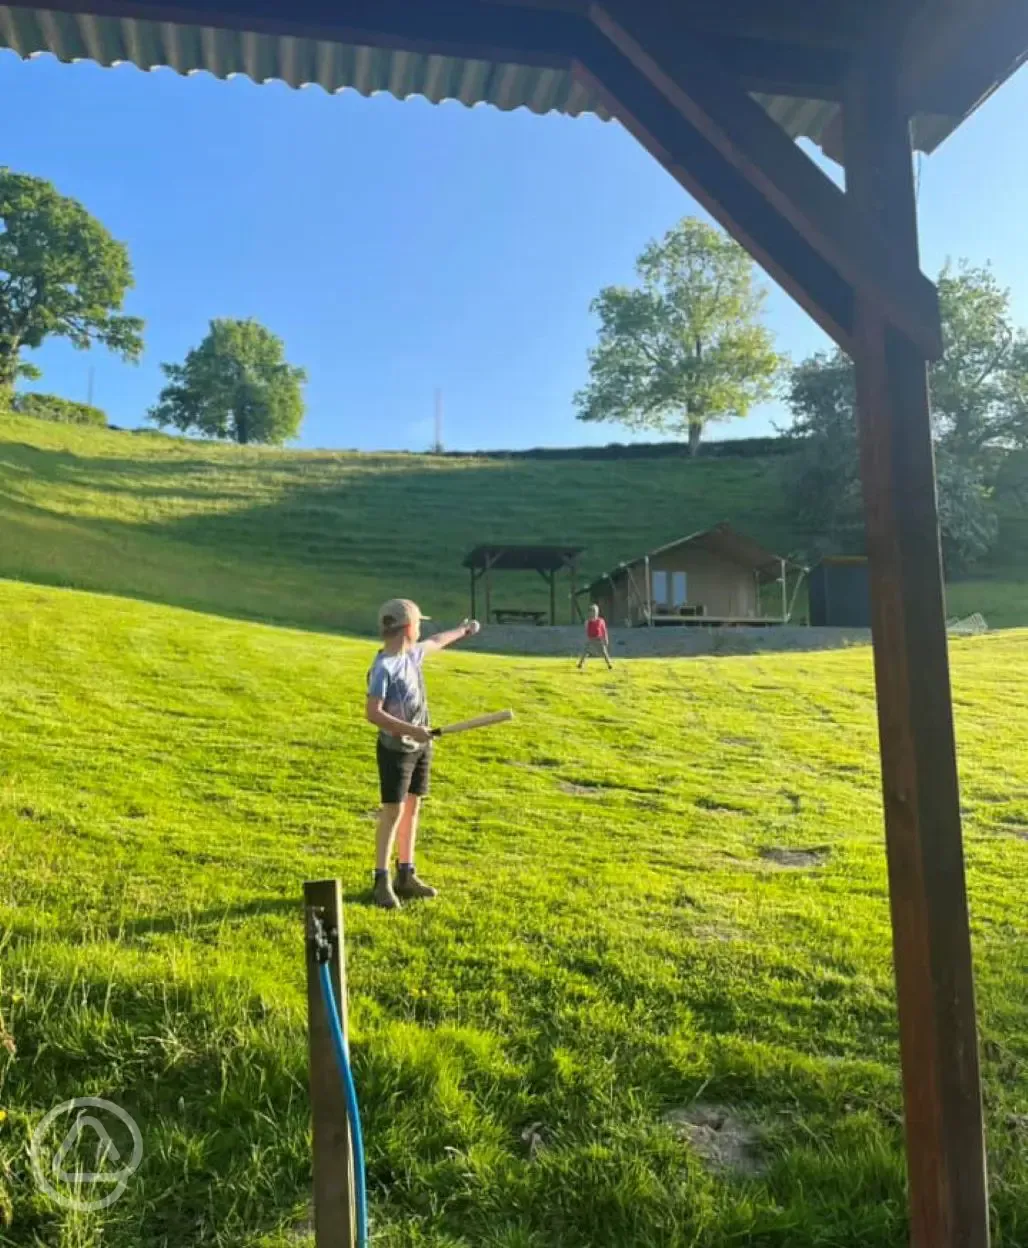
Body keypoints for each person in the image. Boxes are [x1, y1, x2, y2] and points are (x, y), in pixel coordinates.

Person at [365, 598, 480, 910]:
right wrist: (409, 730)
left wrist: (463, 630)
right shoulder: (383, 668)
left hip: (420, 747)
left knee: (413, 808)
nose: (422, 629)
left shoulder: (413, 654)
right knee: (393, 813)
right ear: (408, 628)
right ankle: (381, 879)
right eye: (419, 623)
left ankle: (406, 874)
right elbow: (373, 713)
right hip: (395, 750)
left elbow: (437, 641)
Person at [578, 603, 613, 670]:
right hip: (591, 639)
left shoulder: (601, 621)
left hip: (598, 639)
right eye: (591, 612)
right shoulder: (588, 621)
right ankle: (581, 664)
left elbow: (604, 630)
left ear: (597, 612)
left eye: (594, 612)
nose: (592, 614)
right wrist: (587, 624)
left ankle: (609, 664)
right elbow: (587, 629)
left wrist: (606, 639)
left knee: (604, 652)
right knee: (585, 651)